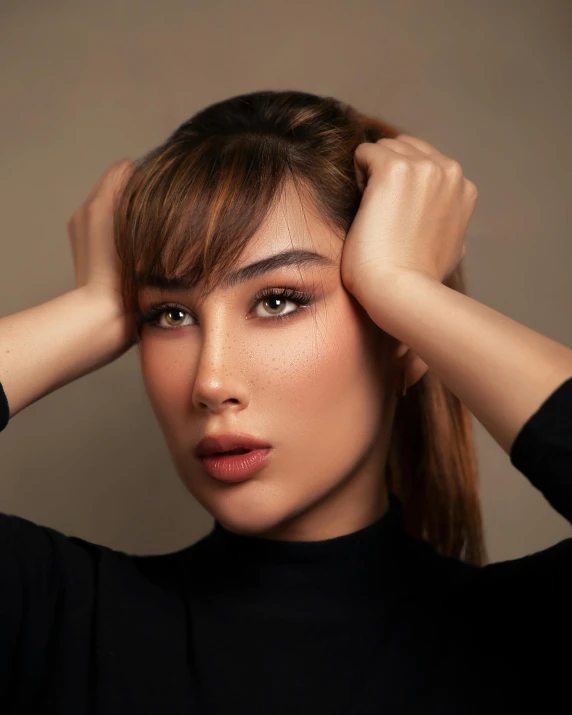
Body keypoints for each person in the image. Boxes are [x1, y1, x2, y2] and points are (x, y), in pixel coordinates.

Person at [0, 89, 570, 714]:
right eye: (169, 313)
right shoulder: (51, 621)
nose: (210, 382)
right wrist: (92, 310)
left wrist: (405, 290)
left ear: (404, 340)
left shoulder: (528, 640)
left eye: (277, 300)